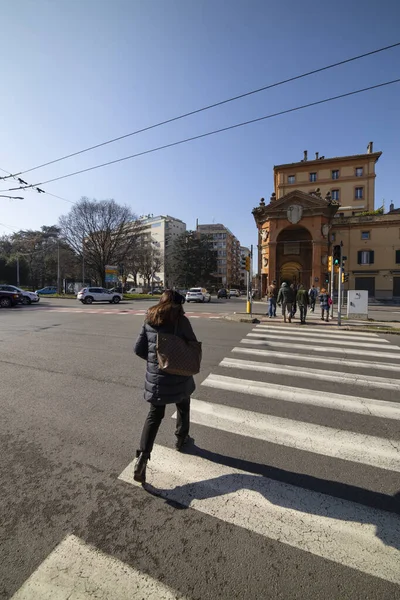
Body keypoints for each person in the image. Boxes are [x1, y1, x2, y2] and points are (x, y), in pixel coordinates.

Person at [133, 290, 198, 483]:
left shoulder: (150, 318)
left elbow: (138, 349)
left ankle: (142, 458)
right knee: (183, 405)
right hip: (179, 374)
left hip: (158, 379)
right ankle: (181, 438)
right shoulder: (181, 320)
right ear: (178, 303)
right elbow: (192, 345)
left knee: (155, 415)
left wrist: (156, 361)